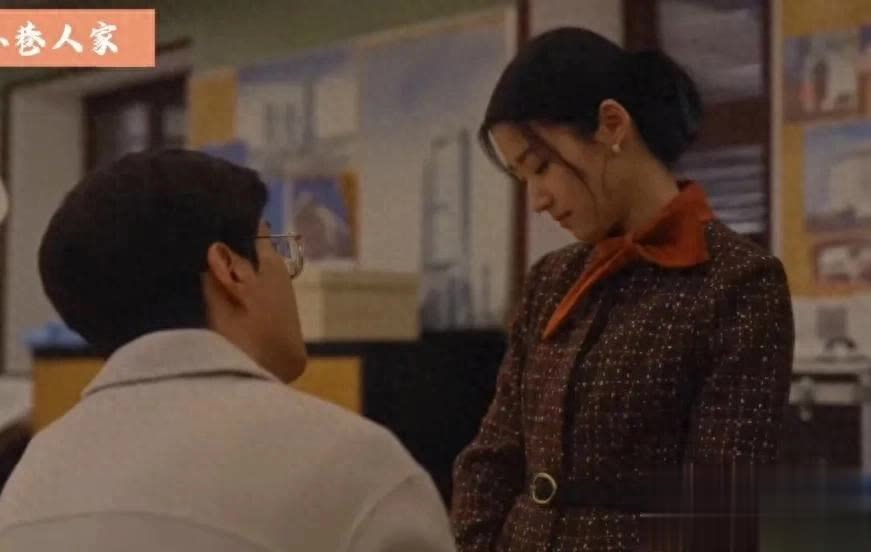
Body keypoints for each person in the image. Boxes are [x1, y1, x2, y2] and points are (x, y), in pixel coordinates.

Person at [0, 149, 455, 552]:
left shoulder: (30, 483)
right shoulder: (355, 465)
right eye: (275, 246)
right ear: (229, 268)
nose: (288, 274)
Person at [450, 28, 794, 552]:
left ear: (612, 125)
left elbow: (720, 511)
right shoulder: (551, 280)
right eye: (523, 179)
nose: (538, 199)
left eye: (541, 167)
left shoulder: (737, 283)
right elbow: (491, 459)